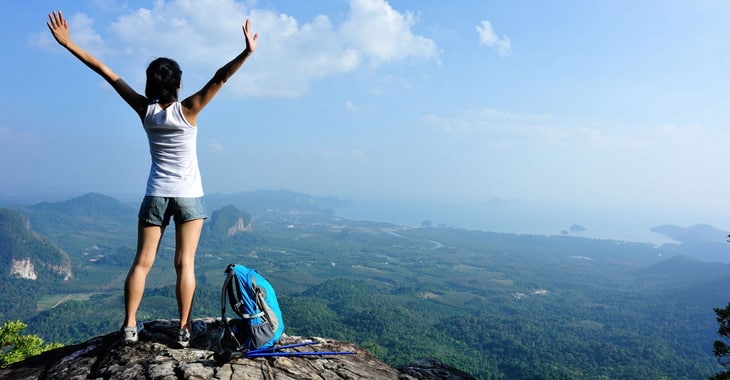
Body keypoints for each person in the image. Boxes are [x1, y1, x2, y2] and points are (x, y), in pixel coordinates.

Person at [47, 10, 258, 347]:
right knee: (184, 263)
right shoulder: (189, 109)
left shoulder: (143, 110)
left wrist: (68, 43)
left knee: (142, 263)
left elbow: (106, 72)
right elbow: (220, 77)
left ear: (149, 85)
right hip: (189, 195)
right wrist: (246, 52)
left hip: (156, 194)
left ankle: (130, 326)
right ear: (177, 83)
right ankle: (185, 330)